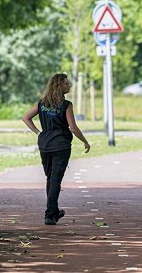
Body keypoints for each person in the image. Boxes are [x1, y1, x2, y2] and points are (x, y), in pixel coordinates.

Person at [22, 73, 91, 225]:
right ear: (59, 86)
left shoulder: (42, 104)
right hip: (61, 145)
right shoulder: (66, 105)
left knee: (50, 178)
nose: (69, 86)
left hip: (45, 144)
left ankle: (53, 212)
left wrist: (39, 132)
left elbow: (26, 117)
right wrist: (85, 141)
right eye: (67, 83)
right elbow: (73, 127)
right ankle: (49, 214)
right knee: (55, 179)